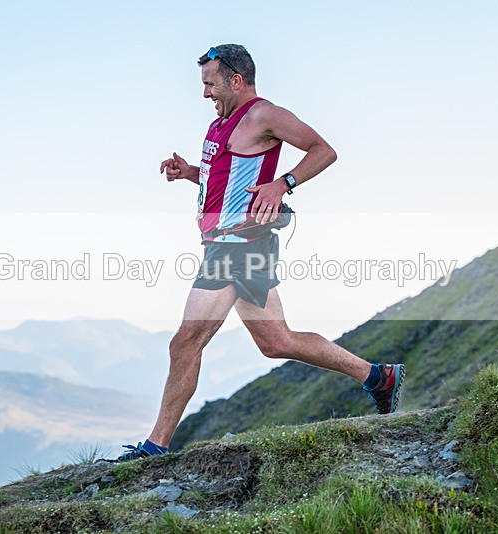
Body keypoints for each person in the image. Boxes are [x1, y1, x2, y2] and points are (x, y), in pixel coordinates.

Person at [115, 44, 404, 462]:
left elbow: (324, 150)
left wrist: (283, 182)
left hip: (239, 244)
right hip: (230, 242)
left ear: (236, 80)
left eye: (210, 85)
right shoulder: (222, 125)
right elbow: (224, 178)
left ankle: (153, 448)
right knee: (276, 340)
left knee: (185, 342)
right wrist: (190, 174)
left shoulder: (263, 115)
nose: (205, 94)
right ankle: (377, 377)